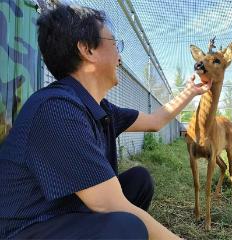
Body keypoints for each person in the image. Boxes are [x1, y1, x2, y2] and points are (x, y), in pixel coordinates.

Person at [0, 4, 211, 240]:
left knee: (138, 181)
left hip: (64, 213)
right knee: (127, 225)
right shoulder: (56, 110)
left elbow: (155, 121)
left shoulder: (97, 107)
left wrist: (191, 91)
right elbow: (111, 205)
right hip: (27, 228)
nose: (119, 56)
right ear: (87, 49)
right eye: (115, 44)